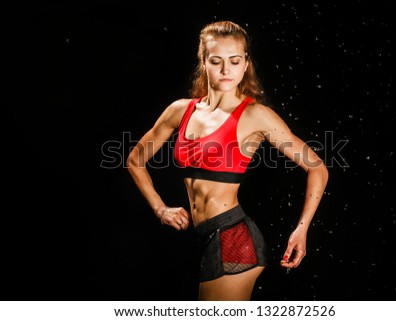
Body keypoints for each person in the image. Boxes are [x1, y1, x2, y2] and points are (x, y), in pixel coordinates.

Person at [126, 20, 328, 301]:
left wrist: (301, 230)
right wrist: (160, 209)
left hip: (234, 238)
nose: (225, 70)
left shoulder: (256, 115)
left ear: (245, 64)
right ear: (203, 61)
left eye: (234, 61)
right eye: (216, 61)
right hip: (204, 237)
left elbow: (317, 167)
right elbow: (135, 160)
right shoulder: (180, 110)